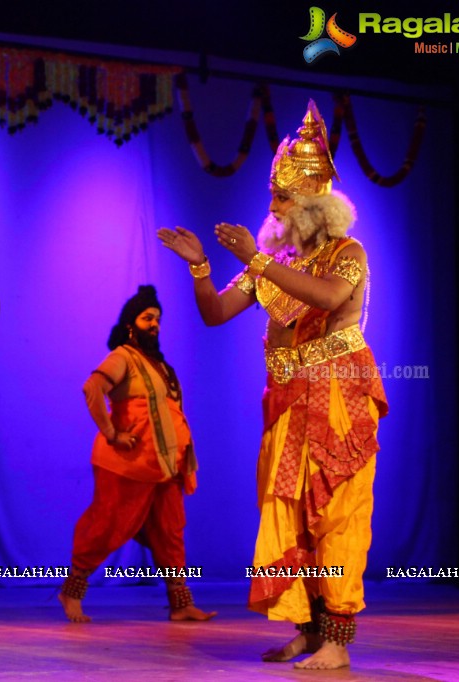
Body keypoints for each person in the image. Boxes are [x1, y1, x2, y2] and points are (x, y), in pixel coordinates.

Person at [158, 100, 388, 670]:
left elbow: (330, 299)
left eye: (283, 197)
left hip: (336, 400)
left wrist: (258, 261)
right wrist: (199, 267)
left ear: (314, 204)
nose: (274, 207)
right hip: (286, 404)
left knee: (335, 516)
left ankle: (336, 641)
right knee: (286, 513)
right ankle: (306, 630)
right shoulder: (276, 259)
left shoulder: (346, 255)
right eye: (274, 196)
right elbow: (215, 312)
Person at [59, 285, 214, 624]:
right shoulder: (123, 356)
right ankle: (71, 591)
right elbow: (92, 388)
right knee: (108, 525)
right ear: (131, 325)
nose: (155, 324)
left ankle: (180, 604)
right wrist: (112, 433)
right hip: (128, 464)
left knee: (170, 529)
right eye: (147, 318)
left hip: (165, 463)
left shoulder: (159, 365)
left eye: (157, 318)